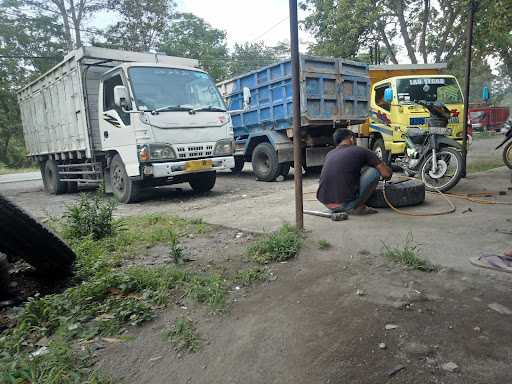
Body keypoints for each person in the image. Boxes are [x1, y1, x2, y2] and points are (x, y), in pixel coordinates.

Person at [317, 128, 393, 215]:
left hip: (326, 203)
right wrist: (388, 170)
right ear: (351, 138)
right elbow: (386, 174)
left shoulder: (330, 153)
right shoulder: (361, 150)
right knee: (374, 171)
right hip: (344, 205)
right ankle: (356, 206)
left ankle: (345, 204)